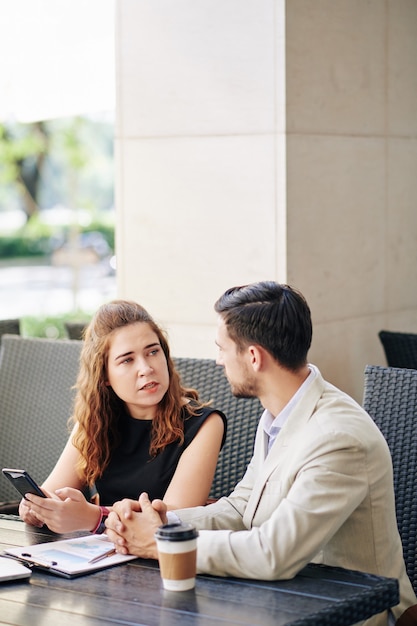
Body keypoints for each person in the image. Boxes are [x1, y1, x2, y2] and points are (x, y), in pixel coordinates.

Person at [105, 282, 417, 626]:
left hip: (355, 614)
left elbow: (274, 554)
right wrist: (165, 521)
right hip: (285, 601)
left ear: (253, 357)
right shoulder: (278, 415)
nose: (218, 359)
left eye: (222, 348)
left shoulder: (338, 438)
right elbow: (243, 506)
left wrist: (162, 543)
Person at [20, 300, 226, 534]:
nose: (146, 368)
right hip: (94, 554)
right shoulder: (96, 421)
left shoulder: (204, 424)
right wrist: (35, 507)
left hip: (159, 558)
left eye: (153, 352)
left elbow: (176, 517)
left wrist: (95, 518)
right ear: (105, 375)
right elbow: (53, 491)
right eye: (127, 359)